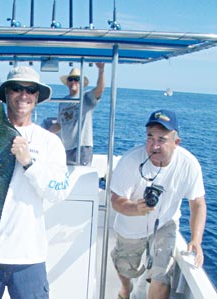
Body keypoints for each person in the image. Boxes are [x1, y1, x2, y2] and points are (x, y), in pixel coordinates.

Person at [0, 66, 70, 299]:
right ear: (6, 93)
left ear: (37, 97)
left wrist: (29, 163)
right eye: (16, 88)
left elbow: (59, 191)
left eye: (30, 90)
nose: (23, 95)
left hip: (29, 257)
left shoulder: (49, 142)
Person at [110, 109, 207, 299]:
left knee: (161, 277)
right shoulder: (130, 161)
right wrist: (135, 208)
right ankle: (126, 289)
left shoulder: (189, 165)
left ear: (175, 142)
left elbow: (197, 203)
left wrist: (196, 240)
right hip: (130, 227)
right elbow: (116, 200)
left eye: (161, 139)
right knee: (127, 270)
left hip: (165, 224)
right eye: (150, 137)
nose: (154, 145)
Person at [57, 62, 105, 166]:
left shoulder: (86, 97)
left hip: (82, 146)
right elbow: (60, 124)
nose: (73, 81)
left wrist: (101, 71)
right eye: (71, 79)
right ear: (67, 82)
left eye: (76, 79)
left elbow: (99, 90)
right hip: (66, 148)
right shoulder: (62, 102)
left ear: (81, 83)